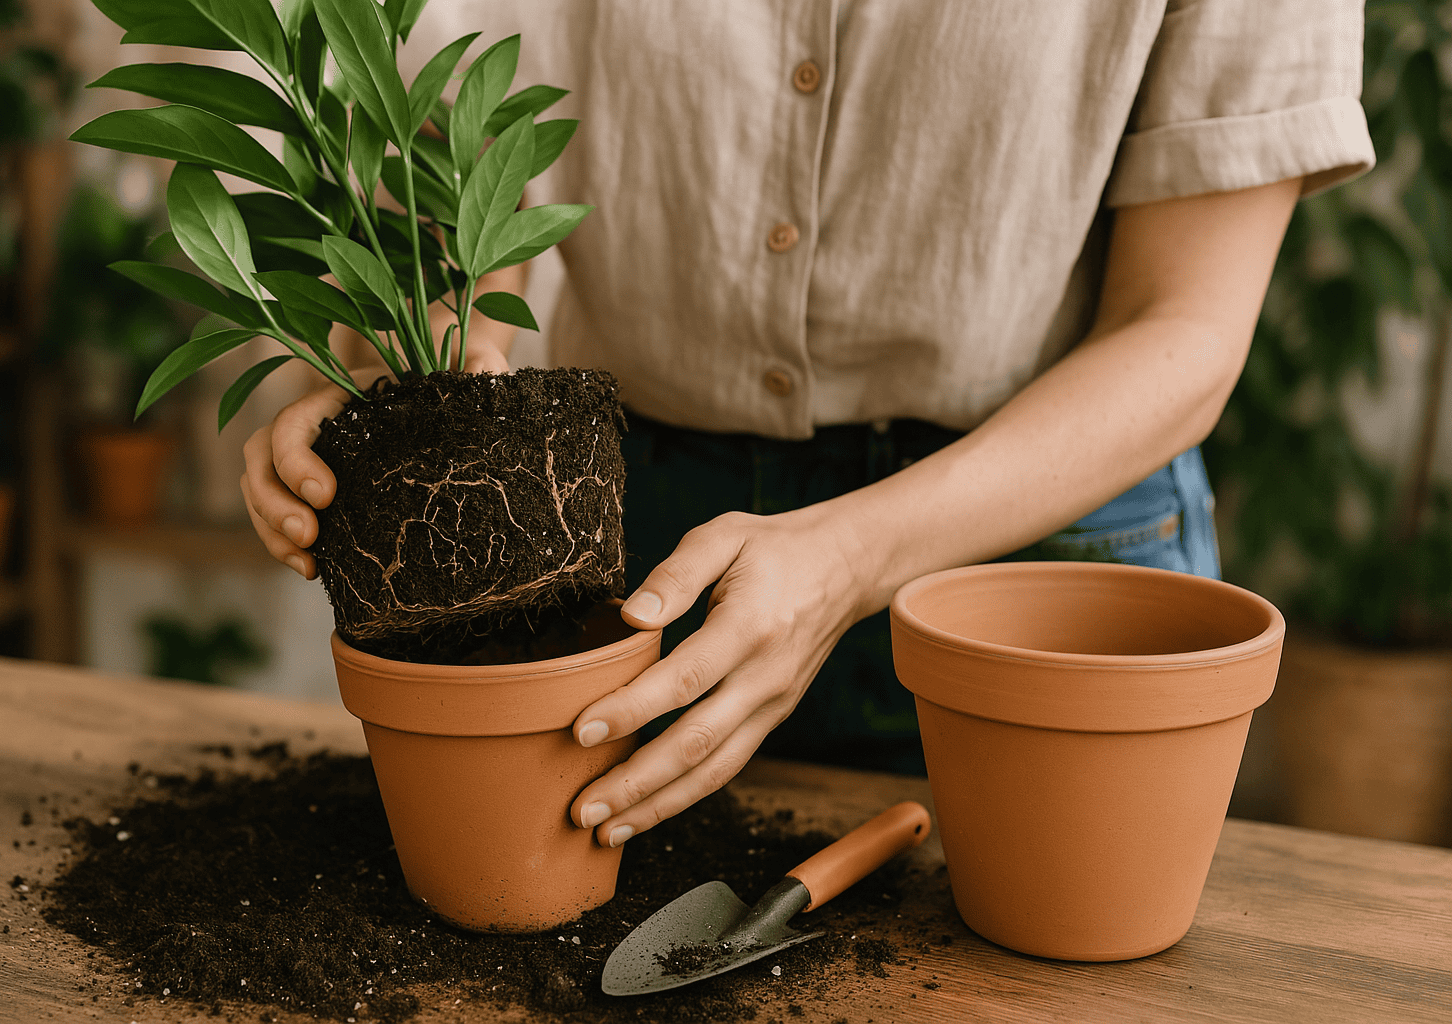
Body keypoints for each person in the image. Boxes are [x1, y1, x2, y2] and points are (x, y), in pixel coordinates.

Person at [241, 2, 1375, 850]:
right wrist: (414, 383)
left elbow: (1182, 327)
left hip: (1035, 555)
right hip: (638, 533)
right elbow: (458, 168)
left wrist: (846, 558)